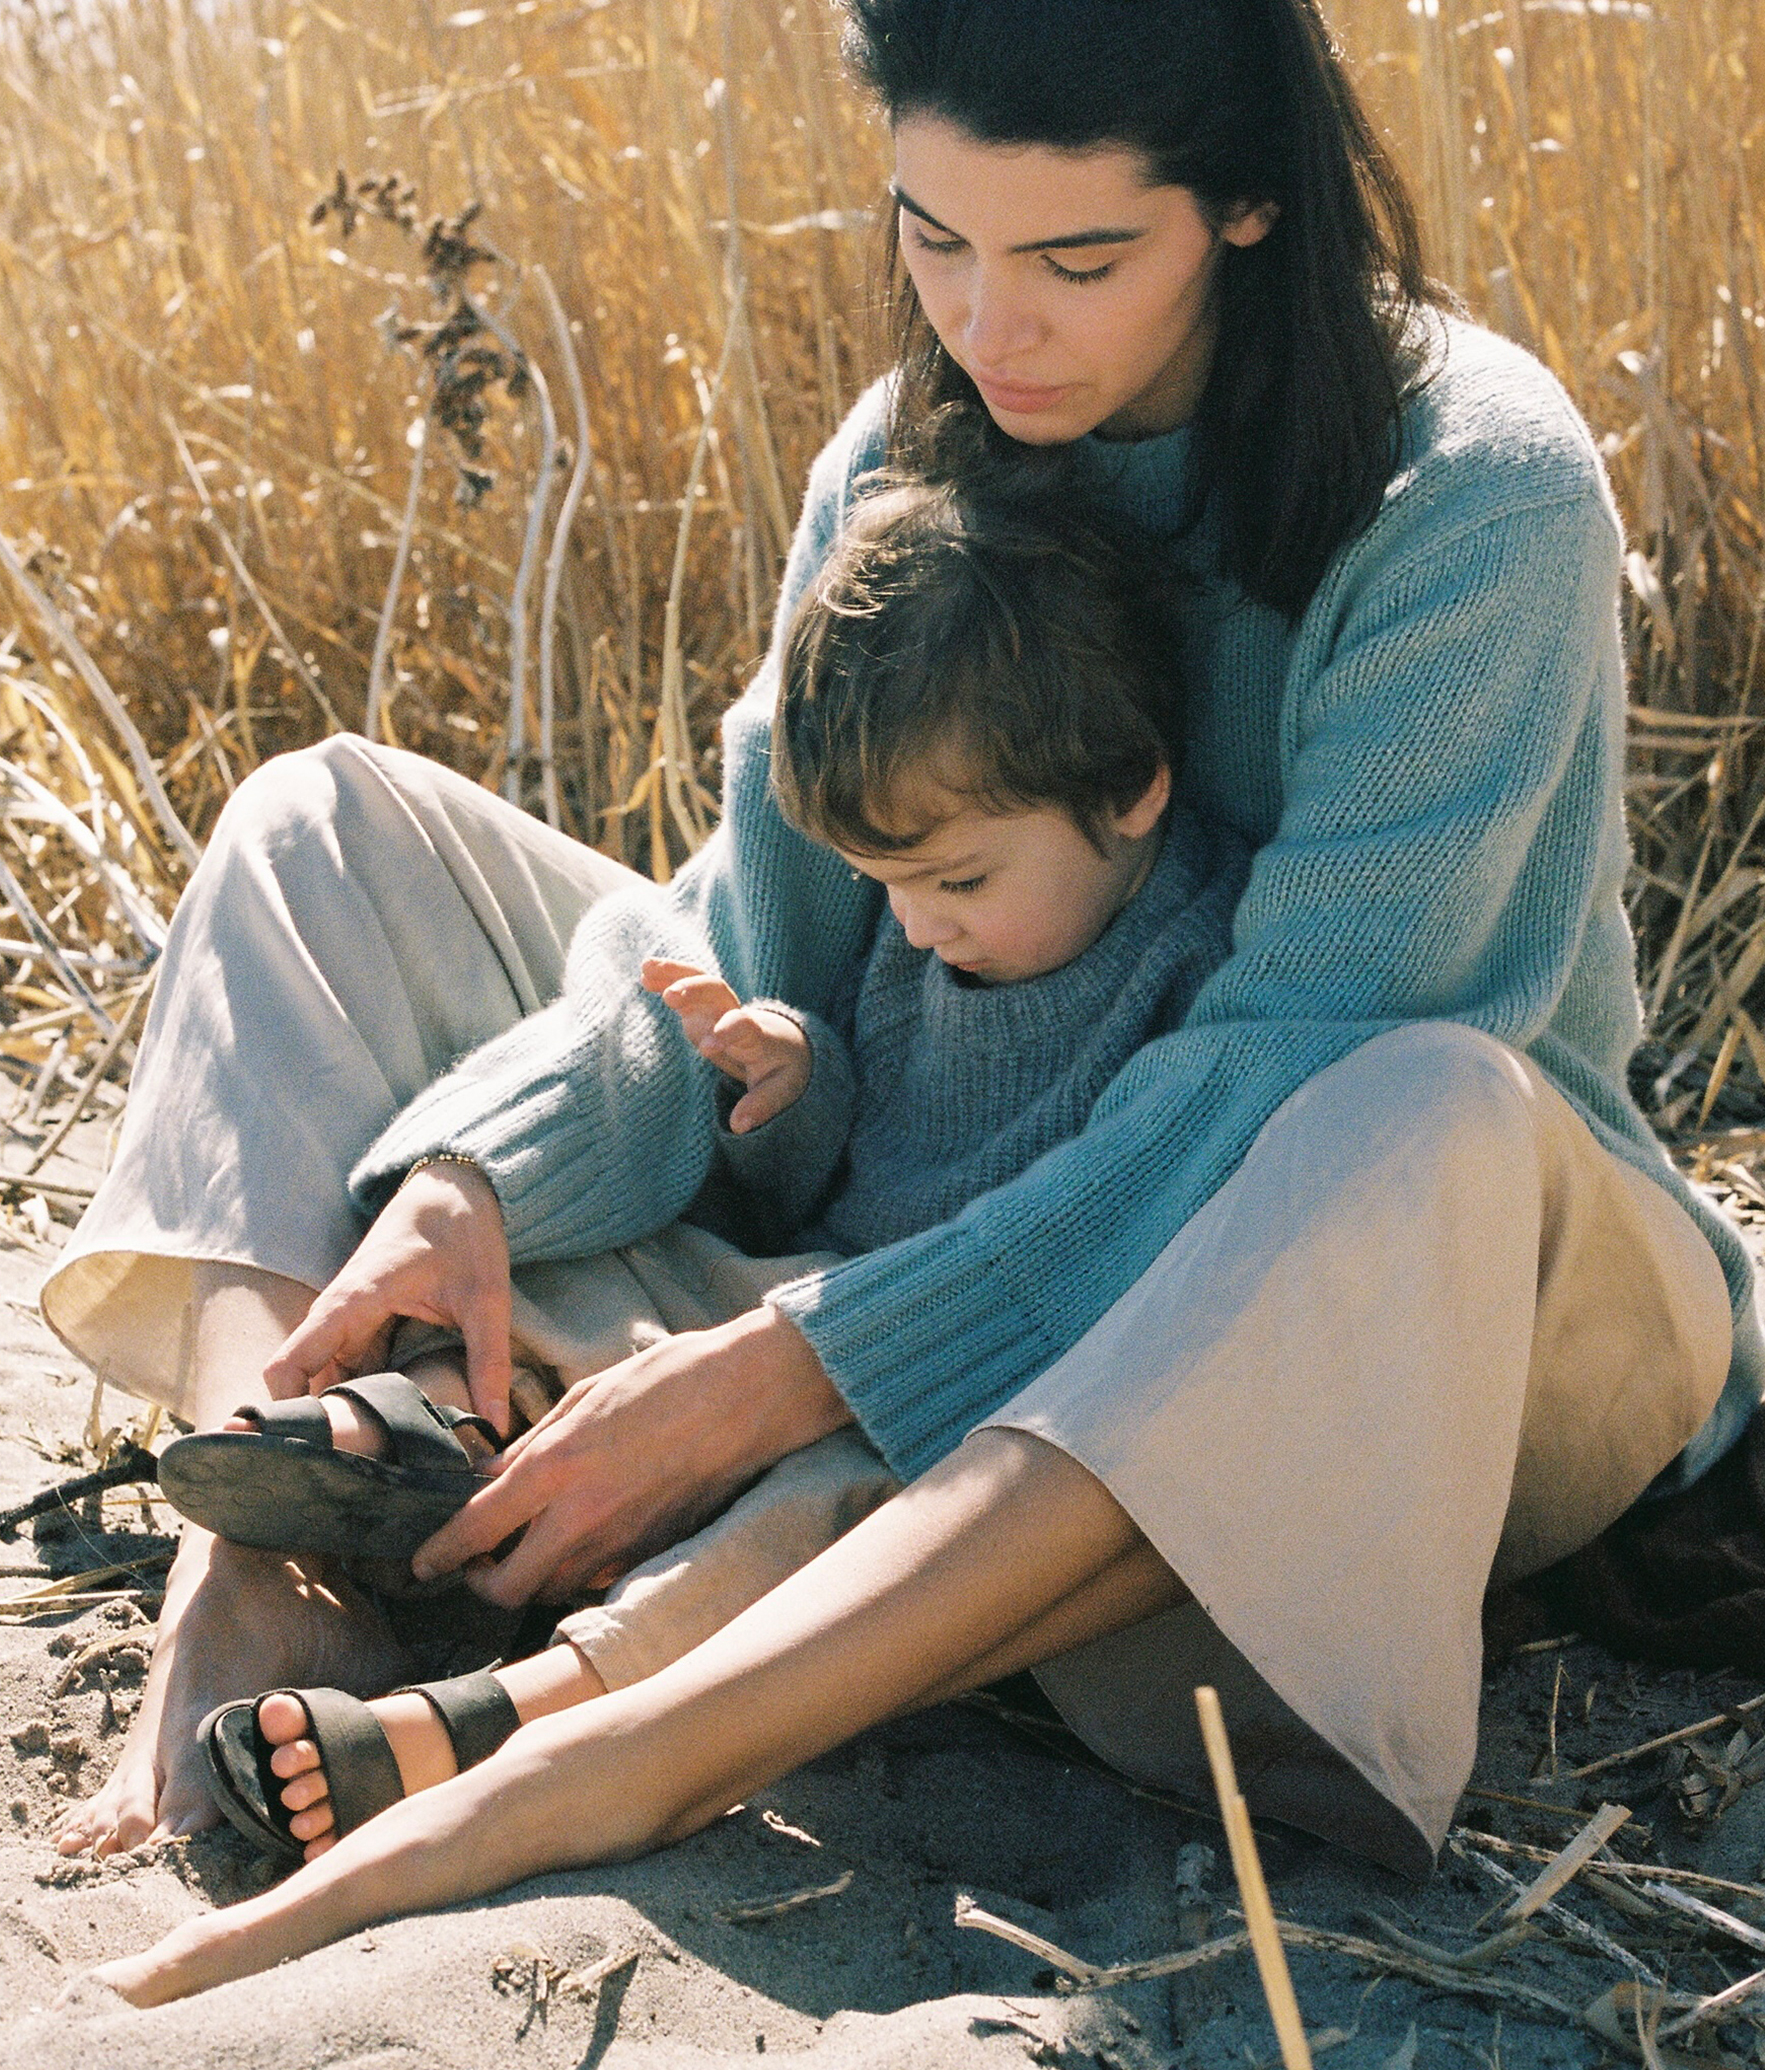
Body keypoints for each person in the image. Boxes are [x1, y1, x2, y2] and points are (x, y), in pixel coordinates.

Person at [50, 0, 1762, 1998]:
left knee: (1407, 1101)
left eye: (1074, 261)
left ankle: (629, 1749)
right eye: (935, 241)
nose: (988, 323)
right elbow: (761, 939)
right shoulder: (909, 443)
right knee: (317, 830)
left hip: (1414, 1299)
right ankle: (262, 1515)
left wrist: (793, 1367)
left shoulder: (1467, 495)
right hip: (932, 1208)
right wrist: (483, 1160)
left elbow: (1284, 1079)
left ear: (1249, 208)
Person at [175, 469, 1250, 1862]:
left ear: (1133, 792)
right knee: (630, 1266)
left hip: (955, 1376)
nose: (919, 928)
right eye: (892, 890)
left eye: (961, 885)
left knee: (843, 1506)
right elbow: (848, 1153)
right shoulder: (923, 908)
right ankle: (438, 1423)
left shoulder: (1204, 959)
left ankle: (519, 1712)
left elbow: (1127, 1225)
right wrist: (788, 1082)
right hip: (801, 1289)